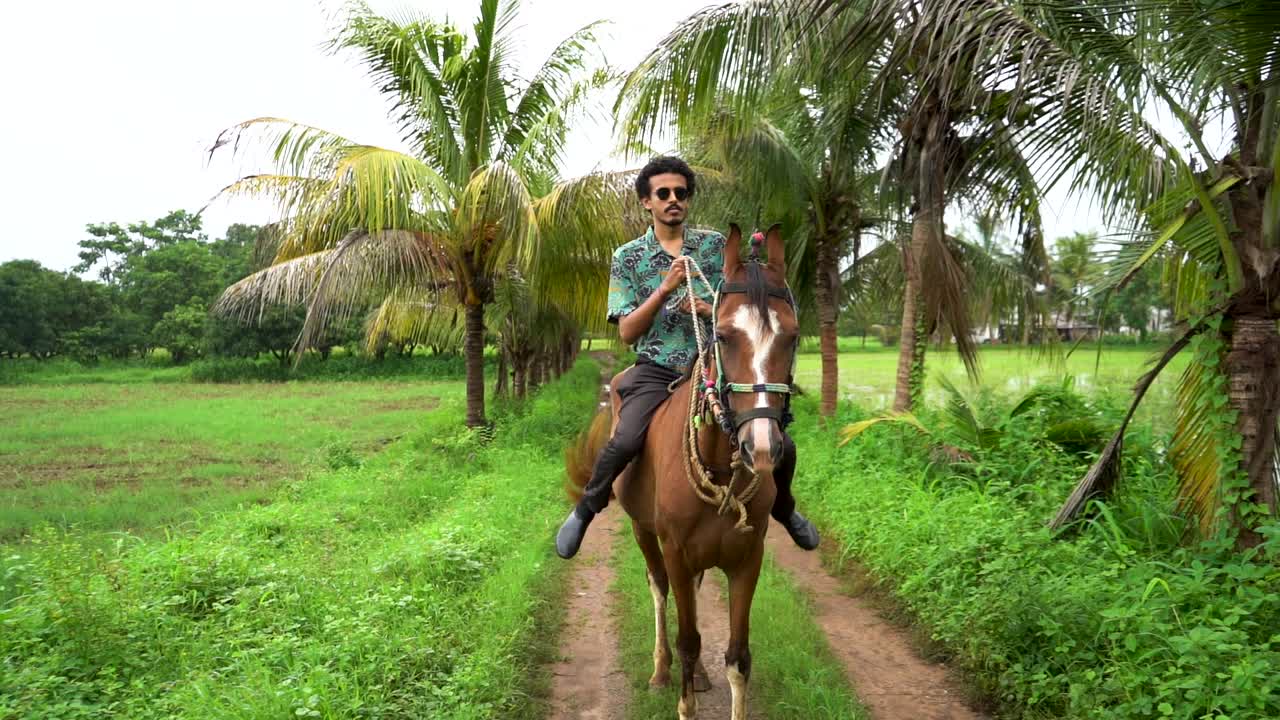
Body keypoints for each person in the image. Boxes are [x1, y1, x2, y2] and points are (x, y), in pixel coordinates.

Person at [554, 156, 820, 559]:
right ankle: (586, 509)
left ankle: (784, 508)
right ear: (647, 202)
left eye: (680, 193)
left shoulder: (715, 247)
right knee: (625, 439)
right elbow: (626, 331)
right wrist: (664, 290)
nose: (673, 199)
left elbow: (739, 308)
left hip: (713, 368)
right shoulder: (627, 257)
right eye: (663, 193)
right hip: (657, 369)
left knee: (781, 439)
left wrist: (707, 307)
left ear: (688, 200)